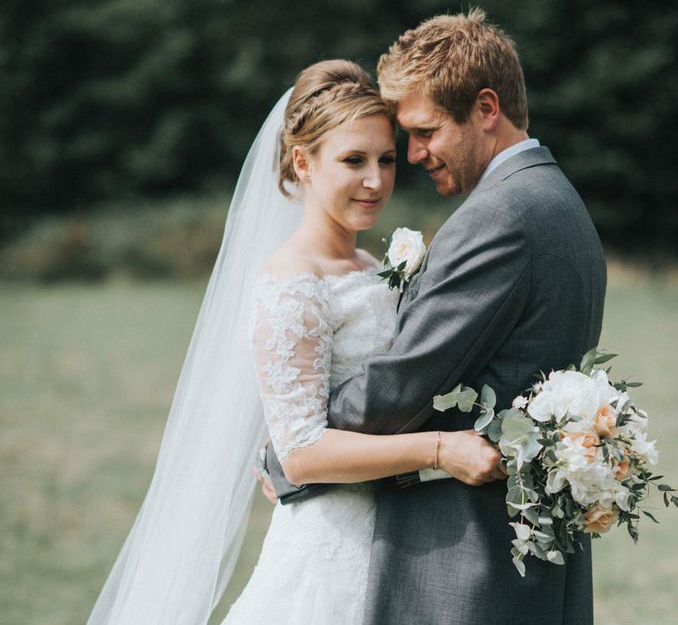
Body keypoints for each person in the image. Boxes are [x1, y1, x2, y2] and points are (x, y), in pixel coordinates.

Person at [87, 59, 502, 625]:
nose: (376, 180)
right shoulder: (292, 283)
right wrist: (438, 450)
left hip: (397, 537)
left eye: (385, 159)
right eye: (353, 161)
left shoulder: (371, 264)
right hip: (329, 547)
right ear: (304, 164)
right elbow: (302, 455)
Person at [264, 10, 607, 624]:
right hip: (522, 549)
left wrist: (289, 453)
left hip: (468, 557)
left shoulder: (502, 216)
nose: (414, 154)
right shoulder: (559, 198)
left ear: (485, 107)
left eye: (423, 133)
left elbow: (405, 383)